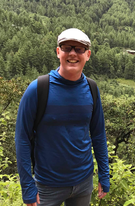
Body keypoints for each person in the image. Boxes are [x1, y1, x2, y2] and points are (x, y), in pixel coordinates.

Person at [15, 28, 110, 206]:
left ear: (87, 55)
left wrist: (104, 174)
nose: (73, 53)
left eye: (79, 49)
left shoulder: (91, 88)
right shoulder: (38, 89)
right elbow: (22, 139)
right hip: (47, 186)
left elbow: (98, 134)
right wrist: (28, 187)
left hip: (84, 182)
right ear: (58, 52)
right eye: (67, 48)